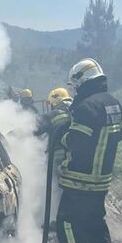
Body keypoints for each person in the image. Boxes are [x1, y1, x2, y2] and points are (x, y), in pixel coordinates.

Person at [52, 58, 122, 243]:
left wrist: (61, 137)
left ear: (82, 81)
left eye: (75, 86)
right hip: (101, 180)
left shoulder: (86, 107)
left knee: (68, 223)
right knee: (95, 222)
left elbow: (77, 141)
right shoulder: (113, 103)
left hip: (80, 179)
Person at [35, 88, 72, 223]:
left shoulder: (54, 114)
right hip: (76, 156)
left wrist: (11, 135)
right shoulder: (77, 110)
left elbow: (33, 128)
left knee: (53, 187)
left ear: (54, 101)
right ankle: (69, 216)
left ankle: (54, 219)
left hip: (58, 155)